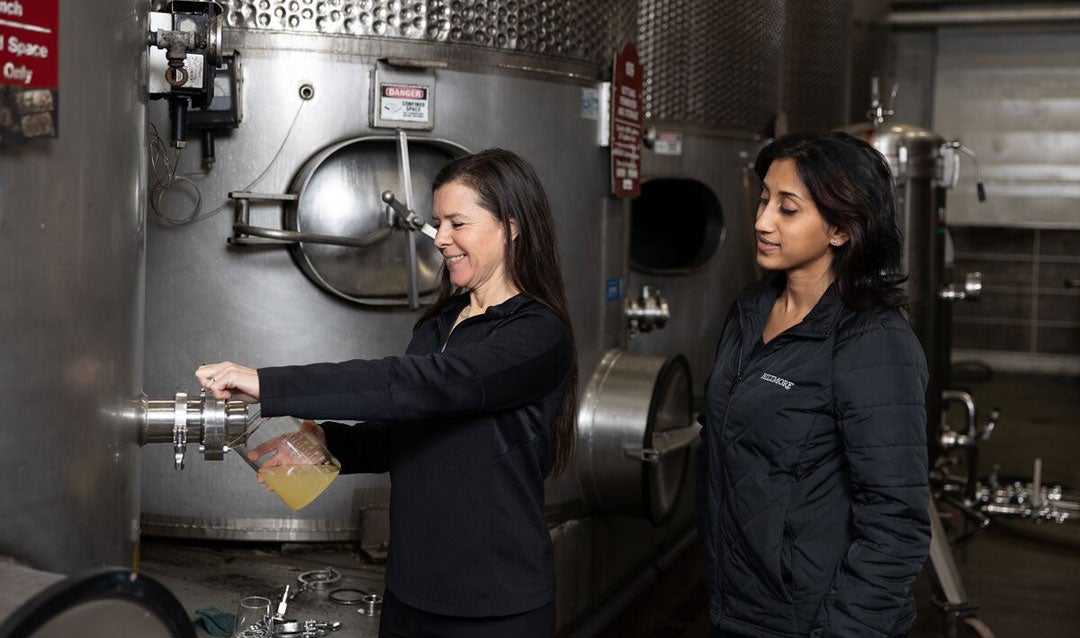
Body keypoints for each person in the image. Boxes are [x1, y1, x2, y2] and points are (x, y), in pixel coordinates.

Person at [196, 148, 577, 638]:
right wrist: (323, 447)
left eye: (457, 223)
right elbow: (402, 428)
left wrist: (269, 384)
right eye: (438, 223)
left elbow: (428, 387)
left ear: (512, 225)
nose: (440, 239)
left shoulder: (538, 335)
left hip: (496, 606)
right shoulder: (439, 324)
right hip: (410, 592)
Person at [696, 132, 931, 638]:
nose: (762, 222)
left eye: (788, 209)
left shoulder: (873, 342)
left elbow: (897, 523)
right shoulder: (750, 310)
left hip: (816, 623)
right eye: (763, 201)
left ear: (841, 229)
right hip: (738, 609)